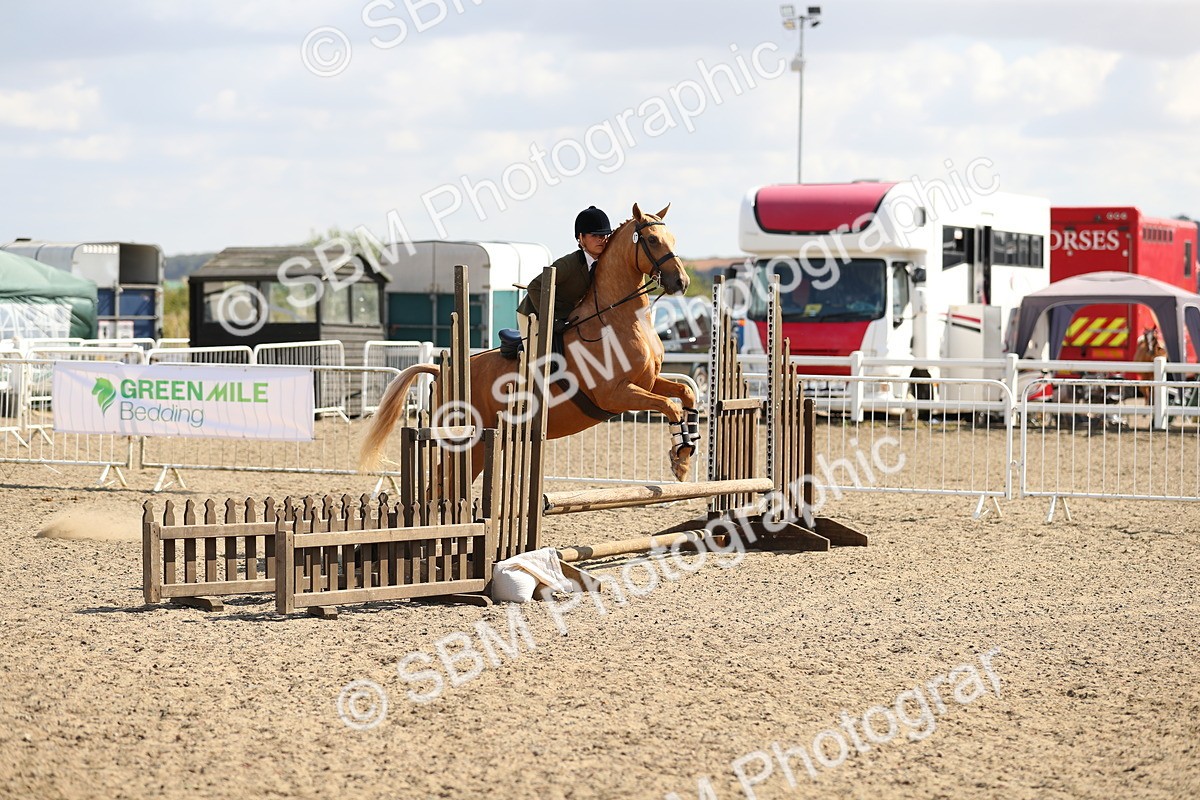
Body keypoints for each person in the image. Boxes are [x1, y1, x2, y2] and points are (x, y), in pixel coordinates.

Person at [516, 206, 612, 338]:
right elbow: (534, 286)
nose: (601, 239)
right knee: (540, 356)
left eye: (604, 235)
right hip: (534, 315)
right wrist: (552, 319)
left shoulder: (604, 264)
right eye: (594, 235)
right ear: (581, 237)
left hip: (567, 318)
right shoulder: (568, 264)